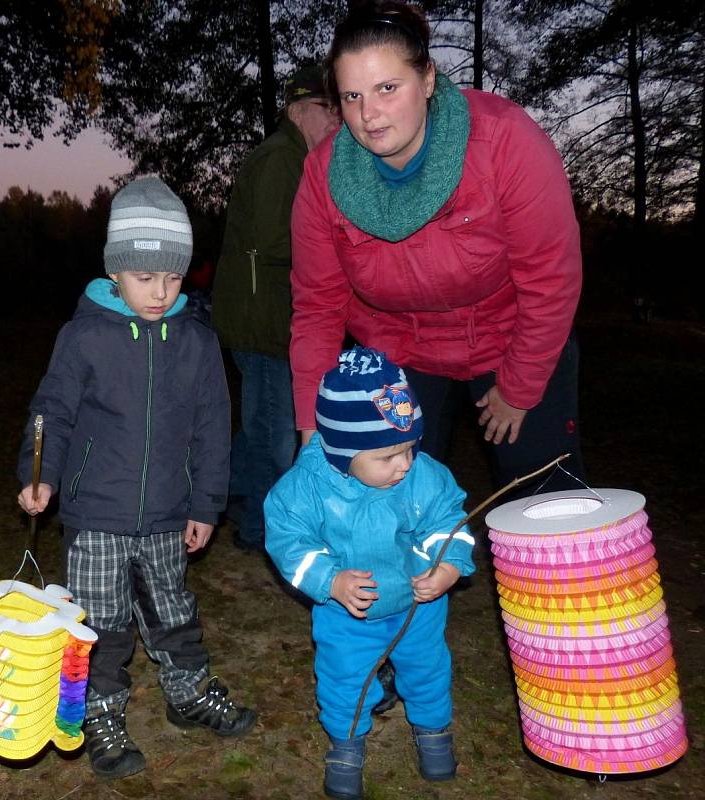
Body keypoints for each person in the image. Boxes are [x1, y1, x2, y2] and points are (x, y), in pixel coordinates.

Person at [290, 0, 585, 498]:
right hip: (400, 352)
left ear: (427, 79)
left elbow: (550, 279)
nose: (369, 114)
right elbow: (318, 306)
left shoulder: (504, 140)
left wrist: (518, 388)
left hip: (513, 336)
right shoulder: (323, 176)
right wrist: (315, 429)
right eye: (352, 95)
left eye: (388, 88)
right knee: (390, 503)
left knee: (543, 500)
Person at [17, 176, 256, 780]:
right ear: (116, 272)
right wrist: (38, 474)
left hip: (170, 512)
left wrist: (207, 504)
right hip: (96, 511)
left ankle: (189, 693)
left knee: (174, 610)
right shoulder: (85, 336)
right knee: (102, 623)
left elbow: (212, 427)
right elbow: (54, 413)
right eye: (145, 278)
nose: (160, 292)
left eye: (172, 278)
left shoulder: (197, 344)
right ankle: (98, 713)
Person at [264, 346, 475, 800]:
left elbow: (447, 520)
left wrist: (448, 565)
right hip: (348, 614)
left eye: (409, 449)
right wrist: (329, 580)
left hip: (417, 606)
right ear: (343, 451)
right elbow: (289, 541)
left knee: (428, 669)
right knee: (345, 677)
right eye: (387, 457)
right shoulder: (307, 490)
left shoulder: (422, 475)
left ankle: (433, 729)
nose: (403, 464)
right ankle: (346, 741)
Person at [211, 64, 340, 552]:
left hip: (271, 319)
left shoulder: (297, 158)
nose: (335, 118)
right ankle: (260, 529)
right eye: (325, 108)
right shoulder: (280, 159)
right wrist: (333, 241)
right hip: (261, 321)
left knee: (261, 427)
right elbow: (271, 240)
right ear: (296, 110)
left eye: (336, 107)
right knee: (277, 434)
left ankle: (212, 494)